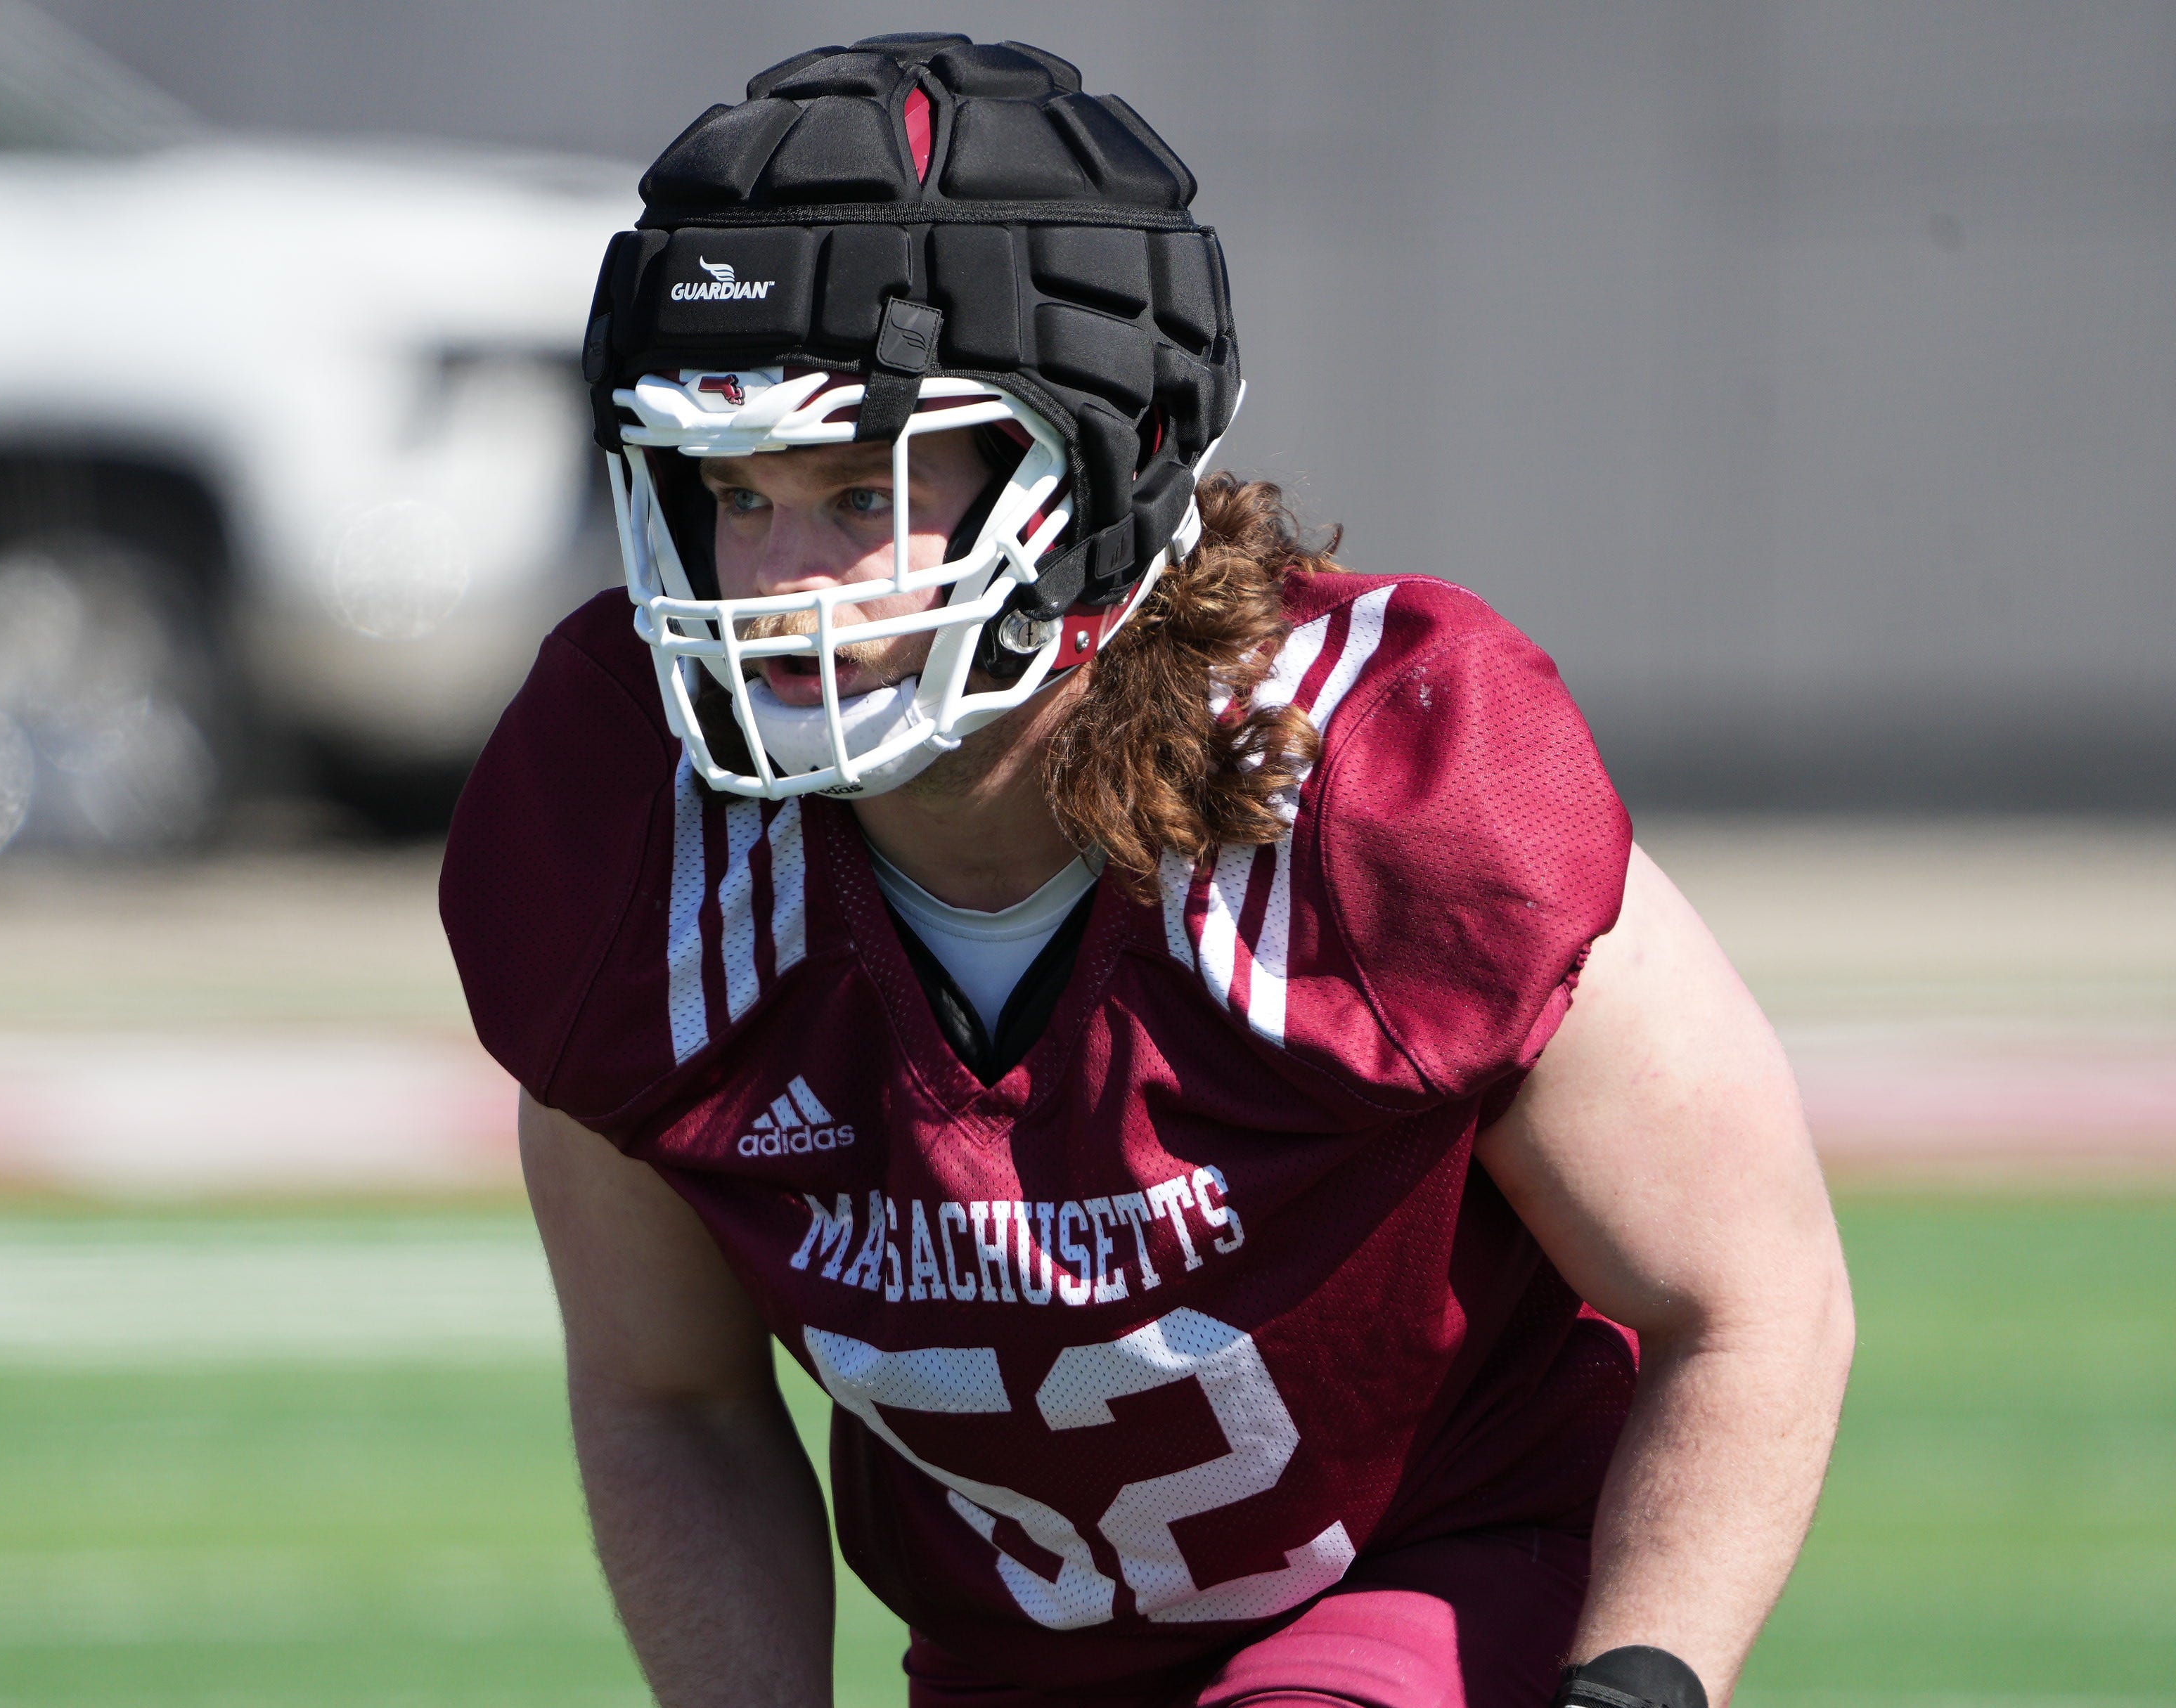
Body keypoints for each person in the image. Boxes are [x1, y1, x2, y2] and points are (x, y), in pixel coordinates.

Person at [441, 34, 1852, 1708]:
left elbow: (1746, 1299)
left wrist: (1640, 1684)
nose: (775, 583)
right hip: (1013, 1663)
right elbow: (667, 1393)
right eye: (734, 498)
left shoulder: (1372, 793)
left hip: (1447, 1570)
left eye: (857, 491)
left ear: (1097, 478)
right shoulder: (632, 851)